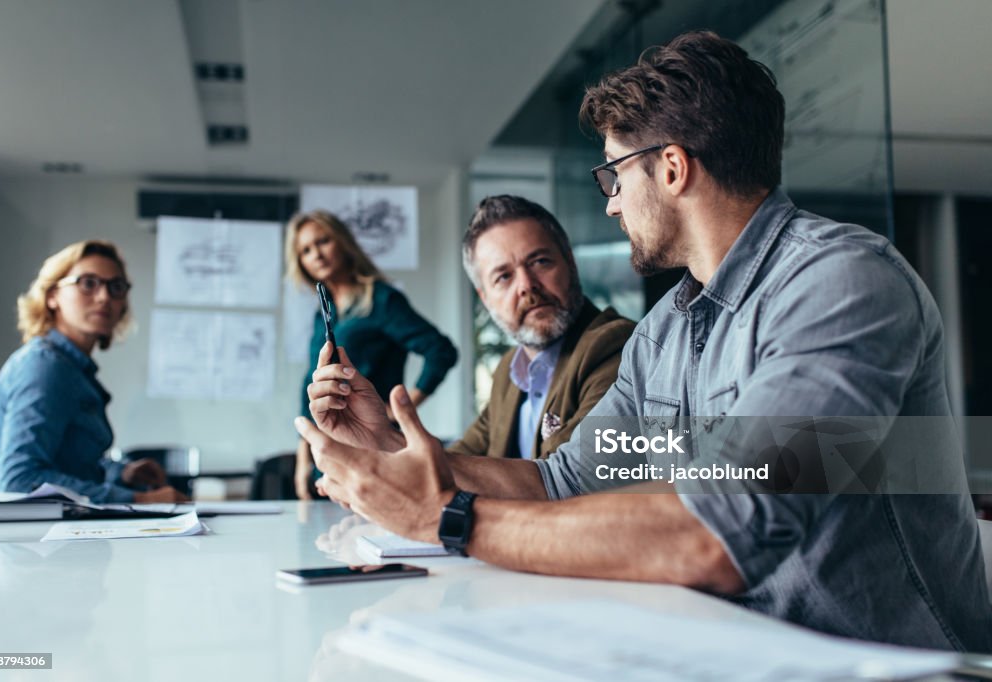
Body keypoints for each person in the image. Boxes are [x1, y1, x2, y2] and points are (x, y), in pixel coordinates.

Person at [296, 31, 992, 652]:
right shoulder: (666, 329)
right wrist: (389, 444)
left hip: (897, 666)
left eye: (613, 173)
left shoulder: (840, 284)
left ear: (671, 168)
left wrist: (449, 519)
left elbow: (720, 533)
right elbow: (559, 482)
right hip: (743, 650)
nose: (610, 201)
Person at [0, 240, 188, 503]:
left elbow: (68, 466)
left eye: (116, 287)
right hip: (41, 541)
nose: (104, 297)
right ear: (52, 296)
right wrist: (137, 500)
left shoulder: (72, 368)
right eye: (87, 283)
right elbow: (20, 481)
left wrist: (122, 473)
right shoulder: (45, 366)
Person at [286, 210, 458, 499]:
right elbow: (312, 383)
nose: (316, 254)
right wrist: (303, 456)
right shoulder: (323, 314)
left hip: (370, 448)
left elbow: (441, 350)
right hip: (325, 455)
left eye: (323, 241)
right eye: (305, 250)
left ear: (342, 242)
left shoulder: (382, 300)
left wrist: (401, 409)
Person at [446, 195, 634, 460]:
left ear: (570, 262)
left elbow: (569, 476)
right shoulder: (509, 371)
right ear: (485, 298)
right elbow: (459, 461)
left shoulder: (615, 346)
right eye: (503, 276)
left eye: (540, 262)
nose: (526, 285)